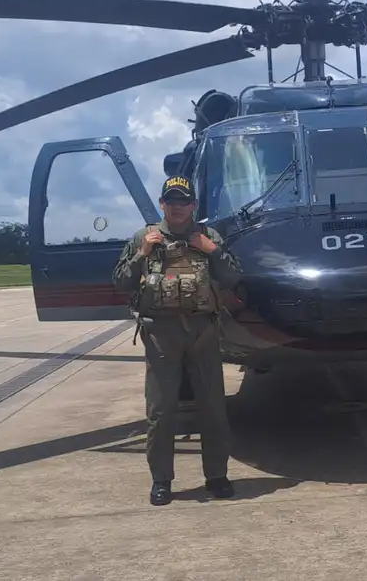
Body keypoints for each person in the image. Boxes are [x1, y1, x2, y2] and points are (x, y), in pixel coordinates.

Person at [112, 175, 243, 505]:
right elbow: (121, 282)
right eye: (171, 200)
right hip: (162, 335)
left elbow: (233, 277)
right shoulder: (144, 237)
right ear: (162, 204)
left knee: (213, 408)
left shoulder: (209, 236)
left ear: (193, 205)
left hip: (203, 332)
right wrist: (142, 253)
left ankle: (217, 476)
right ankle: (161, 480)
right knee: (161, 411)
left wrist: (212, 251)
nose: (177, 206)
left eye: (183, 201)